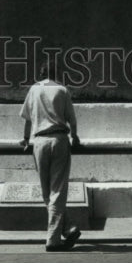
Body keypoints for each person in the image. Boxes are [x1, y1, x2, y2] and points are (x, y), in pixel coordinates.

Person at [19, 57, 81, 252]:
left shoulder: (33, 90)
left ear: (41, 73)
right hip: (59, 141)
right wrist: (75, 136)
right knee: (58, 190)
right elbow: (72, 120)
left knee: (47, 191)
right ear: (57, 74)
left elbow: (27, 119)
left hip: (38, 142)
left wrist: (25, 138)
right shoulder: (62, 90)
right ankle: (57, 237)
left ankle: (65, 230)